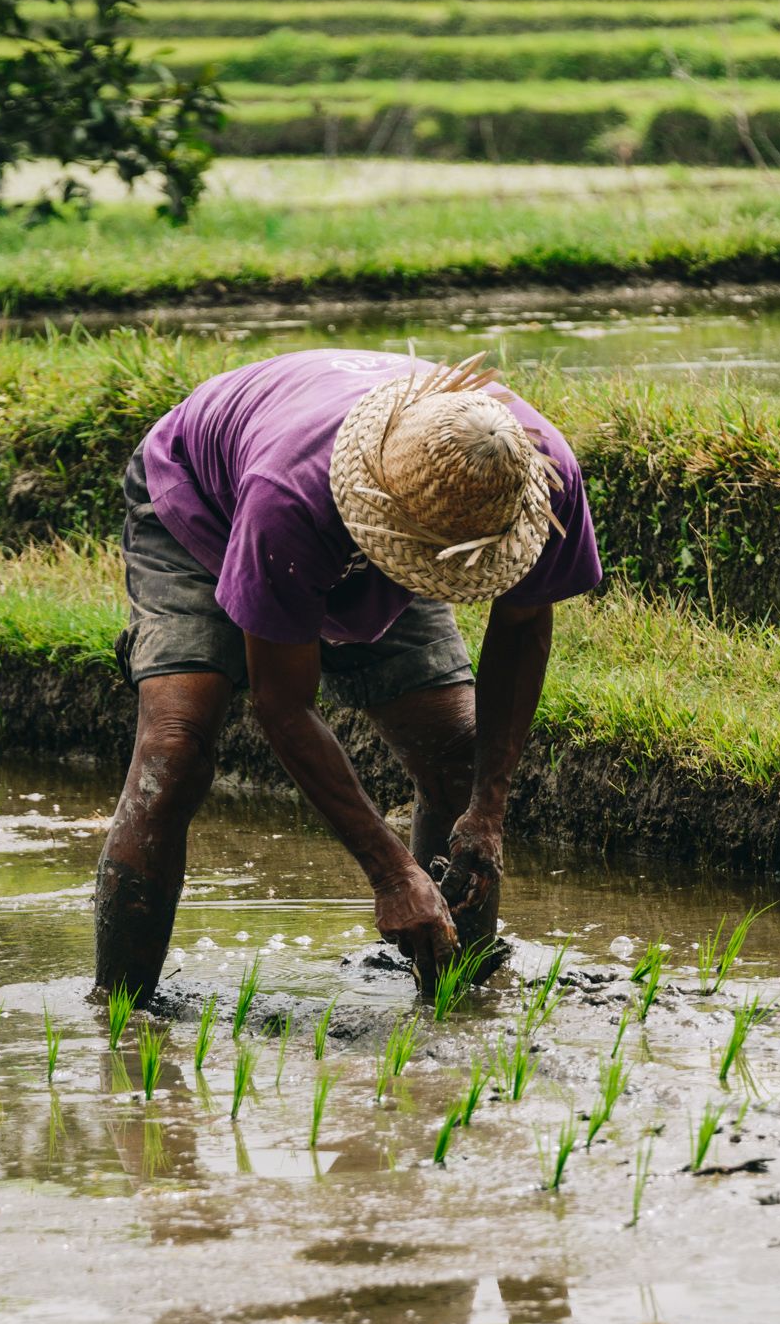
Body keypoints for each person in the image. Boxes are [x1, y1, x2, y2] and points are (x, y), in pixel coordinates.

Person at [93, 346, 601, 1000]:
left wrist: (487, 811)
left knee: (454, 749)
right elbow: (282, 706)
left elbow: (523, 626)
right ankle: (120, 1017)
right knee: (175, 747)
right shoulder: (287, 494)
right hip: (206, 508)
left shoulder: (533, 475)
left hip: (381, 526)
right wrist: (391, 875)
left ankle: (452, 1000)